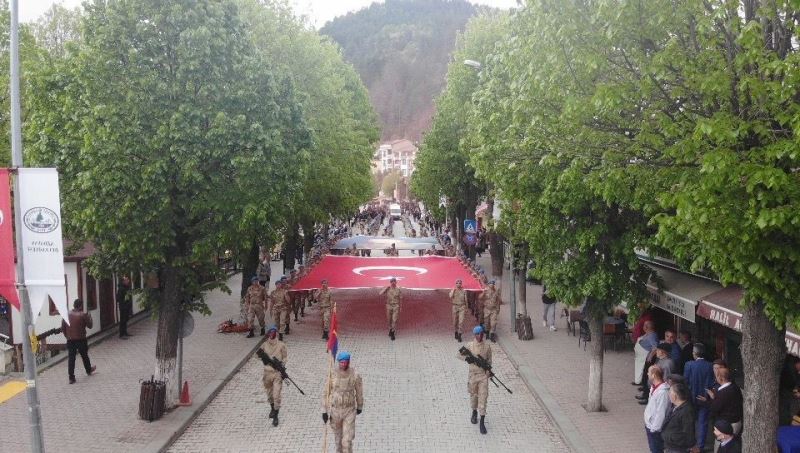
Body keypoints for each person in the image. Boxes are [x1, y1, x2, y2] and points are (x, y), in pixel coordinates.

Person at [323, 351, 364, 453]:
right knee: (338, 442)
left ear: (348, 362)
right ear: (338, 362)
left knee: (347, 441)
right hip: (335, 411)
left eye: (345, 362)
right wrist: (324, 410)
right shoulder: (332, 374)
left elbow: (359, 391)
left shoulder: (355, 374)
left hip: (349, 411)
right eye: (341, 362)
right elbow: (326, 393)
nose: (343, 364)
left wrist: (360, 405)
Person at [457, 325, 492, 435]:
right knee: (474, 396)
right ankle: (474, 412)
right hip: (473, 376)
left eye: (481, 333)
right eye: (477, 334)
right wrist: (467, 358)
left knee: (483, 397)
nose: (479, 336)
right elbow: (458, 354)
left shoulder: (487, 347)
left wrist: (488, 371)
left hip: (482, 377)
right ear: (474, 335)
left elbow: (489, 361)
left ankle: (482, 421)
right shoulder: (470, 346)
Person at [683, 343, 716, 452]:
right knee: (702, 422)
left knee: (690, 421)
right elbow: (711, 383)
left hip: (691, 399)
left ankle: (690, 444)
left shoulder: (689, 365)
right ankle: (700, 447)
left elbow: (685, 382)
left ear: (695, 354)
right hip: (704, 398)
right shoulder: (710, 365)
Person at [698, 368, 743, 440]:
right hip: (737, 422)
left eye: (716, 376)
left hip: (727, 426)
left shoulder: (722, 392)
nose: (715, 378)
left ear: (720, 378)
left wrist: (706, 401)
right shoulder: (735, 387)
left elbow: (714, 408)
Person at [62, 299, 97, 384]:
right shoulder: (83, 314)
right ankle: (88, 370)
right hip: (81, 339)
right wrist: (89, 315)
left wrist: (67, 336)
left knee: (71, 358)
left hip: (70, 340)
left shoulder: (67, 314)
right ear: (81, 306)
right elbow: (90, 326)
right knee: (84, 355)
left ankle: (71, 377)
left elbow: (63, 328)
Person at [260, 325, 287, 427]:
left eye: (273, 332)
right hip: (267, 373)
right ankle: (272, 408)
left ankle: (276, 416)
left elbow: (285, 357)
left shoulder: (281, 345)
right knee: (269, 393)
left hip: (277, 374)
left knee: (276, 395)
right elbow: (258, 355)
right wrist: (264, 359)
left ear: (276, 333)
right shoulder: (264, 345)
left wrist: (281, 366)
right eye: (270, 332)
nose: (272, 334)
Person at [661, 382, 696, 453]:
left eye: (670, 393)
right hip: (671, 446)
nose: (669, 395)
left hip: (677, 448)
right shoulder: (674, 406)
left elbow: (688, 434)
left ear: (675, 396)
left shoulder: (686, 411)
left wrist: (671, 438)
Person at [643, 365, 671, 453]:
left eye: (649, 372)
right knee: (653, 449)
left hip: (655, 428)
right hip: (650, 425)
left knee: (656, 450)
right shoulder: (654, 387)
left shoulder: (663, 393)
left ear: (654, 375)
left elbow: (661, 412)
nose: (647, 374)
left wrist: (654, 428)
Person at [634, 320, 659, 393]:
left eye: (645, 325)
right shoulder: (648, 334)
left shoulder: (652, 335)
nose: (643, 327)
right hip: (644, 356)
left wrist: (650, 356)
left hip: (648, 357)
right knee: (644, 372)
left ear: (647, 327)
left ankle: (646, 390)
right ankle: (644, 386)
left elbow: (655, 347)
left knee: (646, 373)